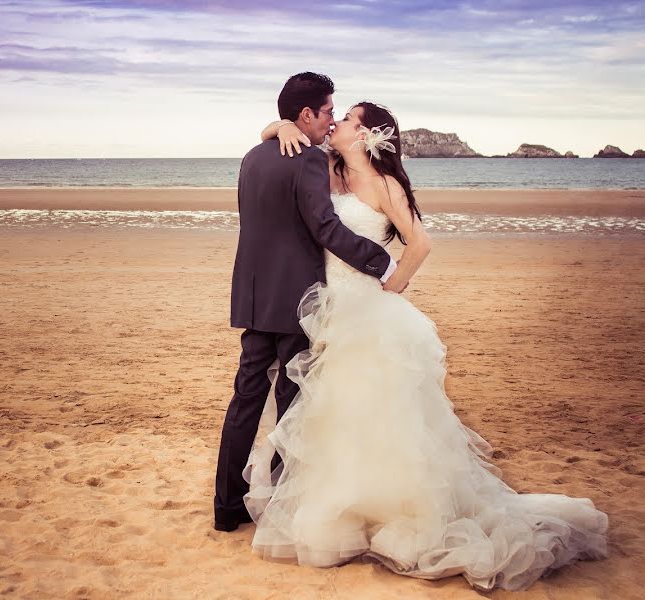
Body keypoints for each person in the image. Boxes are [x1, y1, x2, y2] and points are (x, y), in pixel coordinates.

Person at [239, 100, 609, 591]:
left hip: (365, 307)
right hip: (325, 306)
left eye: (347, 120)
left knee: (378, 409)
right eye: (339, 116)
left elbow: (421, 244)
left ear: (368, 135)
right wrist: (281, 123)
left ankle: (388, 507)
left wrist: (394, 287)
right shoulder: (328, 170)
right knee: (331, 410)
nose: (338, 123)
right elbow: (276, 139)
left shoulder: (385, 186)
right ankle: (342, 502)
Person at [214, 73, 399, 534]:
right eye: (328, 111)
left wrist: (275, 128)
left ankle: (226, 508)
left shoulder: (252, 157)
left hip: (254, 297)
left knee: (245, 402)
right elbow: (326, 229)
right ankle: (278, 505)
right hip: (296, 300)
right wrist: (382, 263)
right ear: (306, 115)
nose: (331, 119)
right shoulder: (310, 162)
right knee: (292, 407)